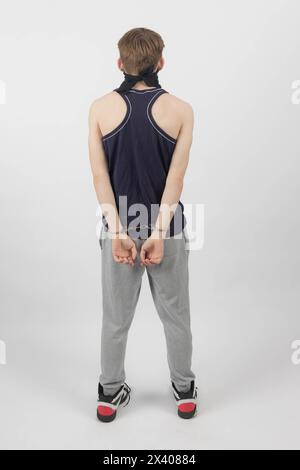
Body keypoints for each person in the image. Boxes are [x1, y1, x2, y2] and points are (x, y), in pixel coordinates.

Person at [88, 27, 197, 422]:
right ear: (161, 63)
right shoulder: (182, 110)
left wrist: (118, 232)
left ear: (120, 63)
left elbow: (100, 179)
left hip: (117, 227)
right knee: (176, 314)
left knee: (115, 318)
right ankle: (185, 392)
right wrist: (157, 233)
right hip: (166, 229)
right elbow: (175, 180)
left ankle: (108, 394)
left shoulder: (99, 108)